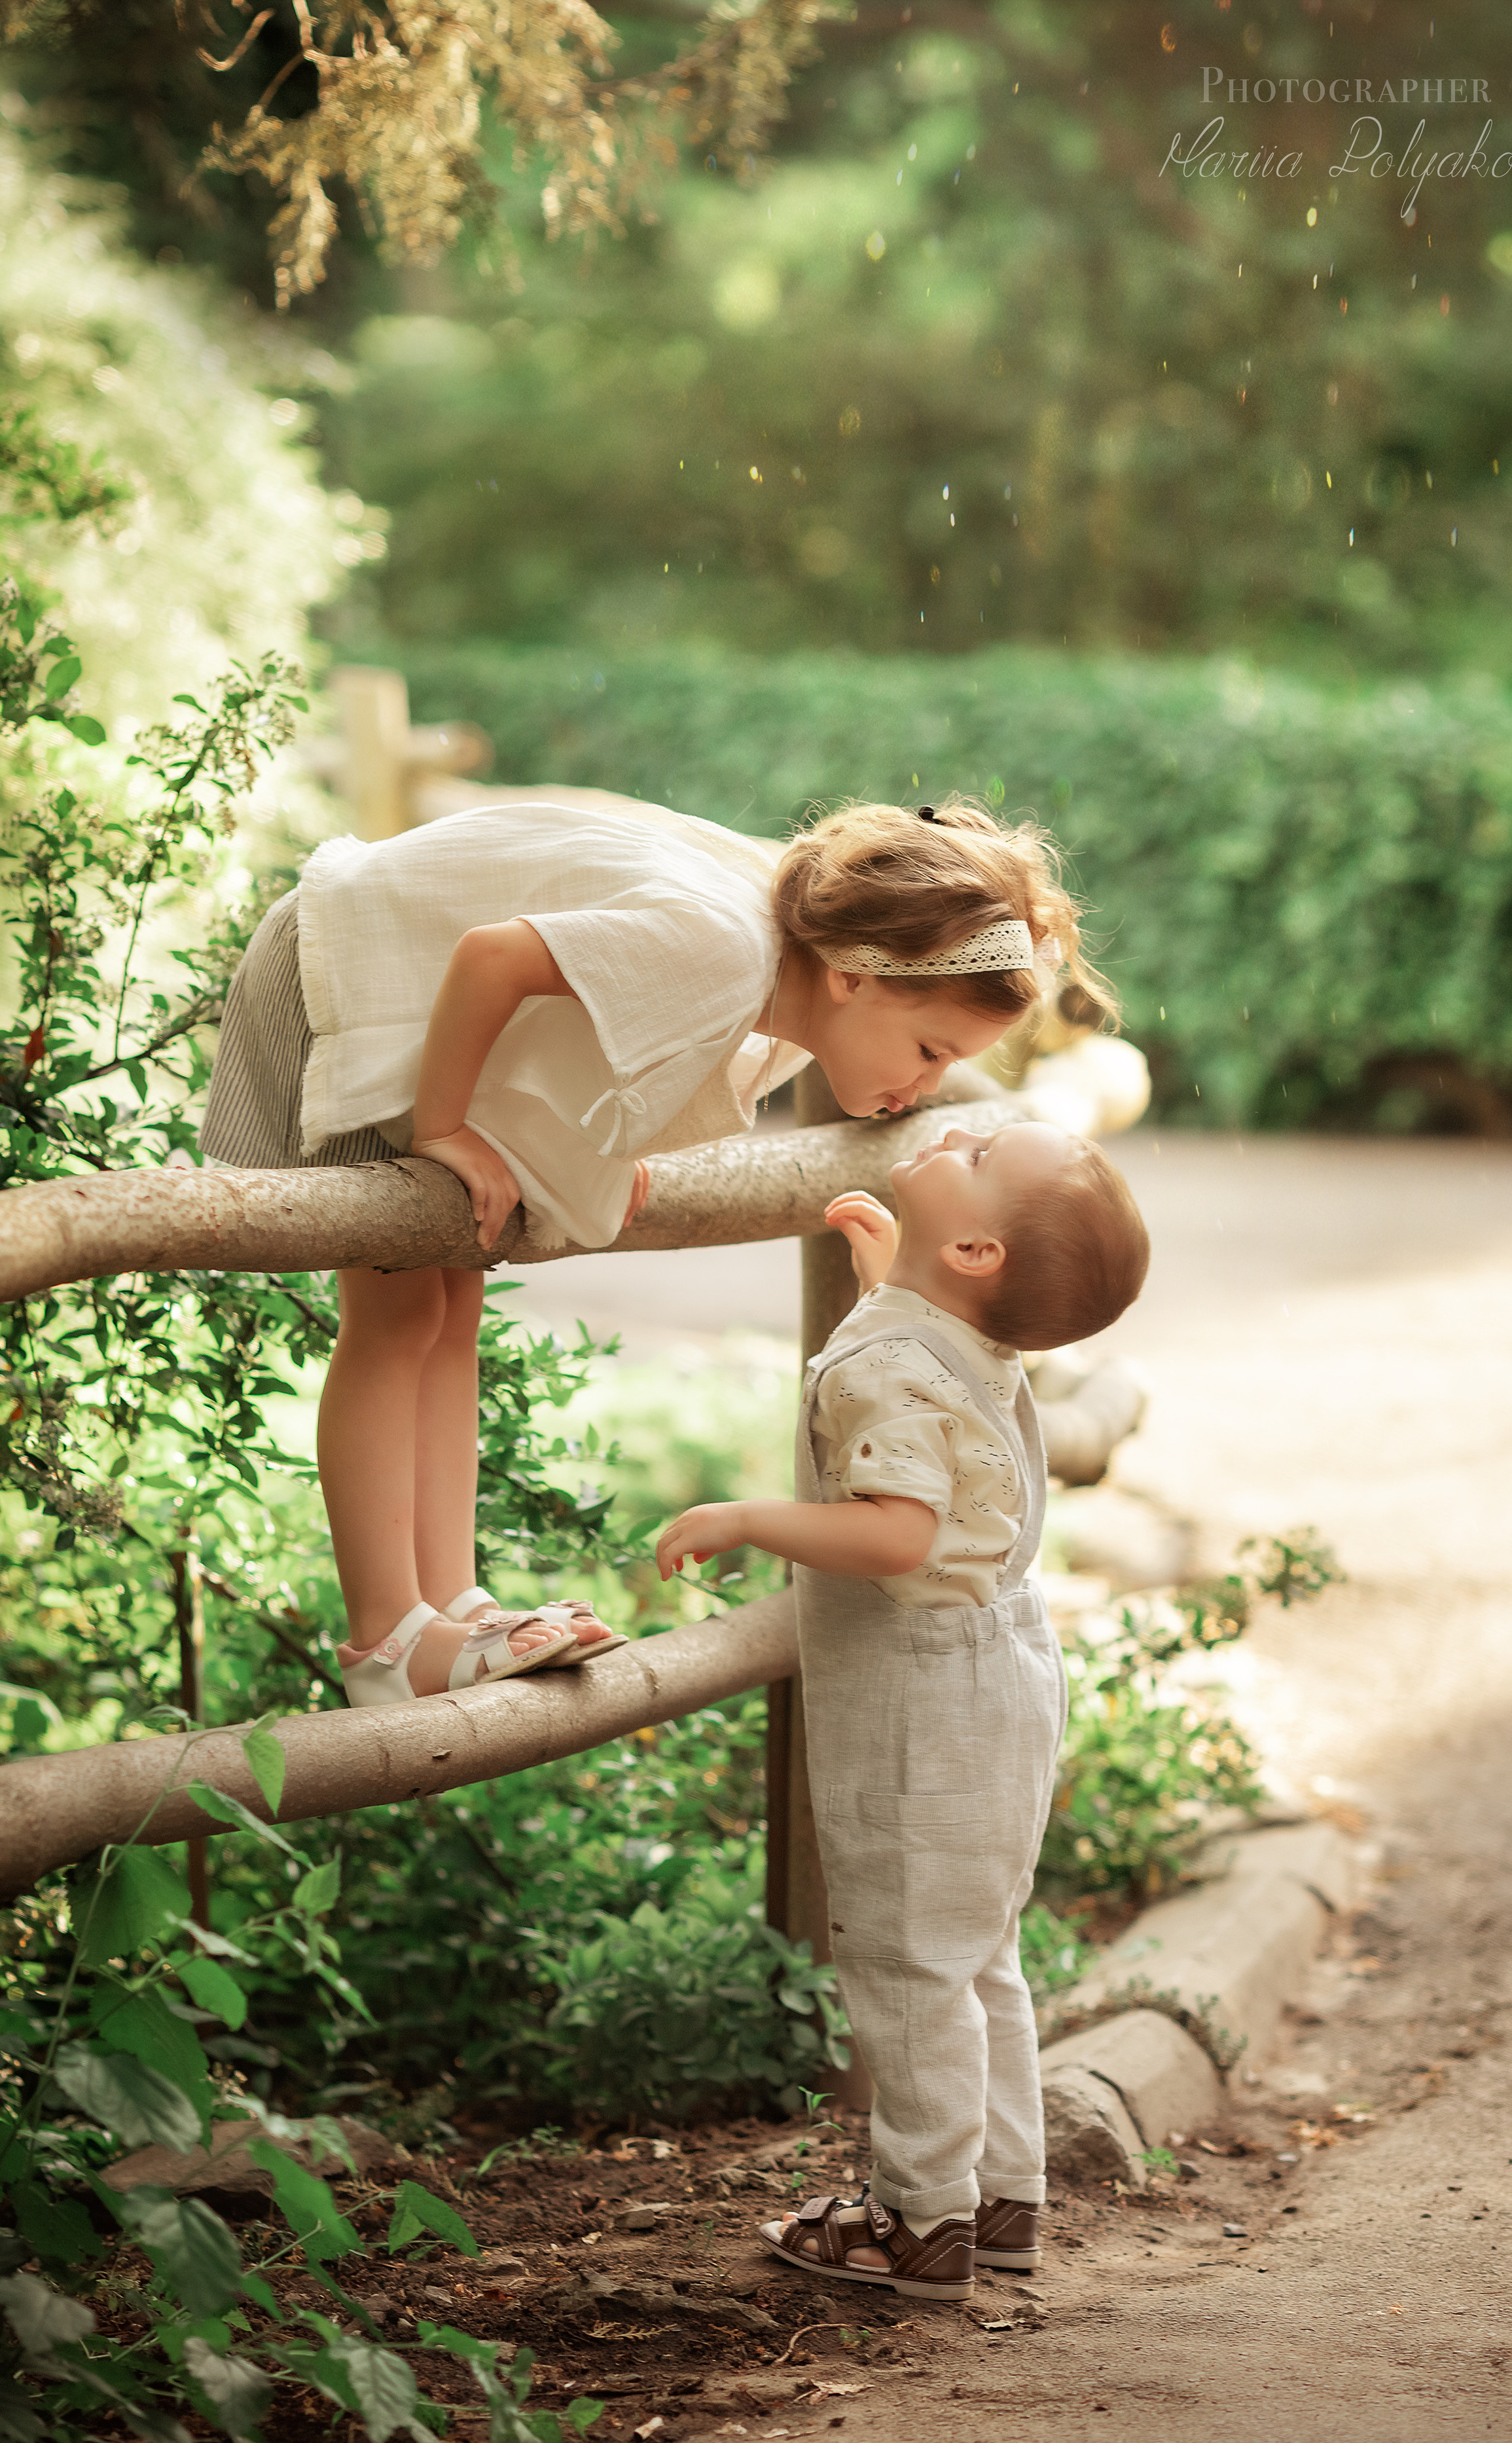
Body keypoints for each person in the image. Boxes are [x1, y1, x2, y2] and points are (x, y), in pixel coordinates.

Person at [200, 785, 1109, 1708]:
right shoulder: (728, 947)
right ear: (855, 978)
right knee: (397, 1314)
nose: (928, 1083)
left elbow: (620, 1017)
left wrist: (597, 1156)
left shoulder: (798, 954)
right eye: (929, 1048)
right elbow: (491, 957)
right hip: (347, 980)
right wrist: (441, 1127)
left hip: (415, 996)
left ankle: (451, 1605)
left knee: (450, 1310)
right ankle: (387, 1640)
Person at [655, 1115, 1150, 2302]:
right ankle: (1003, 2199)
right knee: (979, 1954)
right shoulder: (960, 1330)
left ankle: (919, 2222)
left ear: (975, 1252)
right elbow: (938, 1379)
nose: (961, 1127)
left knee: (909, 1965)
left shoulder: (890, 1364)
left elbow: (898, 1531)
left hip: (921, 1699)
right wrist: (892, 1271)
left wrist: (749, 1519)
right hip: (1007, 1671)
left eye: (978, 1155)